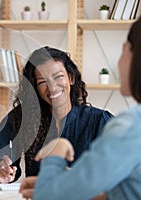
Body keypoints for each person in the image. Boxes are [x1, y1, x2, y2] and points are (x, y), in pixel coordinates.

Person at [20, 17, 141, 200]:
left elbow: (48, 198)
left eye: (123, 50)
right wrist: (59, 186)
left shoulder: (130, 126)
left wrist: (57, 152)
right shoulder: (24, 119)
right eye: (43, 81)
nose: (118, 62)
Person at [0, 46, 113, 183]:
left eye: (58, 77)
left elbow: (124, 171)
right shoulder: (20, 118)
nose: (52, 87)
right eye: (42, 82)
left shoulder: (100, 121)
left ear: (71, 78)